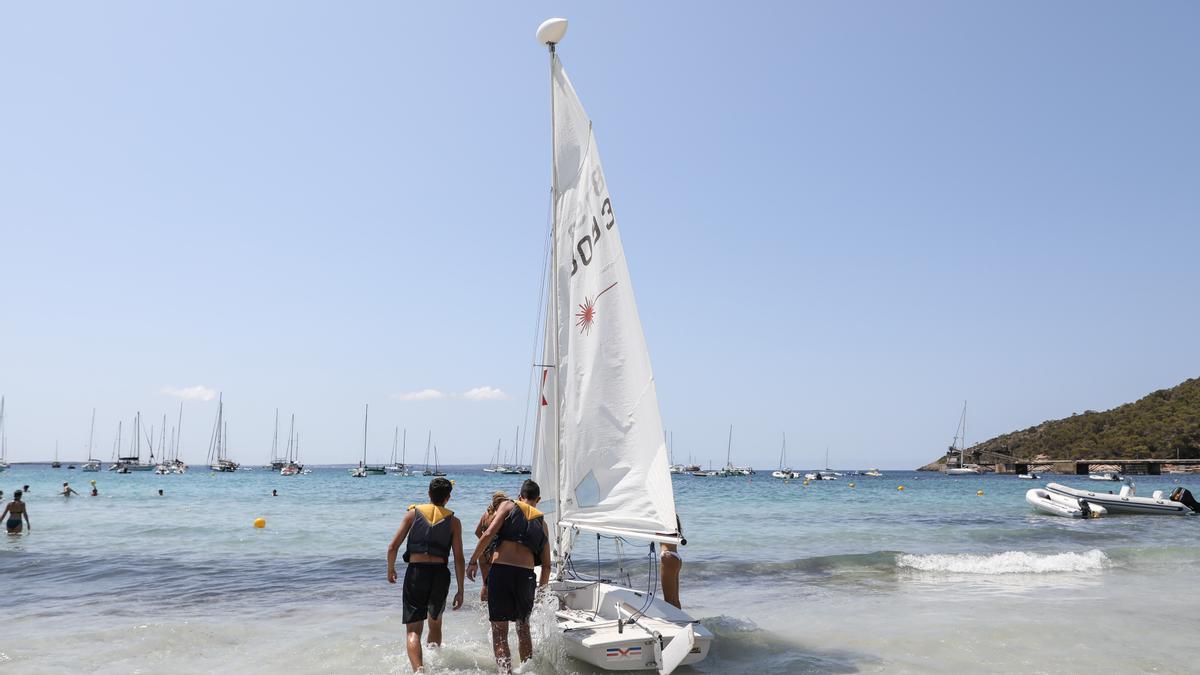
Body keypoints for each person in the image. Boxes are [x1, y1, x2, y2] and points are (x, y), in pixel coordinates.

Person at [467, 479, 550, 674]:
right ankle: (528, 671)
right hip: (526, 576)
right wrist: (542, 592)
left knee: (500, 632)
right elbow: (546, 566)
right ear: (538, 499)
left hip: (502, 572)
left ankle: (506, 672)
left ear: (520, 496)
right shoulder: (542, 523)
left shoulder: (508, 505)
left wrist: (473, 561)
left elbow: (487, 533)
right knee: (523, 629)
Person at [386, 477, 465, 673]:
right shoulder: (454, 522)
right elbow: (459, 558)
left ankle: (419, 670)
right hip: (440, 575)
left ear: (429, 494)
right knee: (435, 623)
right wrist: (461, 590)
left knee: (413, 630)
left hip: (416, 573)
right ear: (448, 498)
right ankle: (435, 664)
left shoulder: (412, 515)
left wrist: (390, 569)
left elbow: (392, 547)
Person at [474, 491, 508, 601]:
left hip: (483, 552)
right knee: (498, 583)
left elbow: (477, 532)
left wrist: (485, 543)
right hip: (495, 552)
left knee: (485, 582)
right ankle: (496, 606)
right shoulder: (499, 516)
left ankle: (484, 606)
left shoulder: (486, 514)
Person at [660, 515, 685, 609]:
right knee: (675, 600)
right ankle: (681, 620)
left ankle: (674, 622)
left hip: (668, 557)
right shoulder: (674, 523)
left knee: (669, 601)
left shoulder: (663, 523)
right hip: (675, 557)